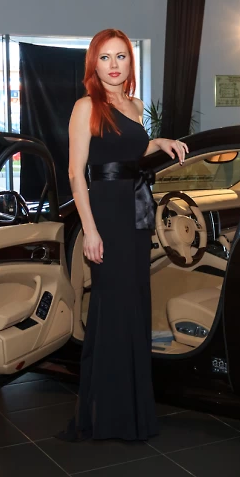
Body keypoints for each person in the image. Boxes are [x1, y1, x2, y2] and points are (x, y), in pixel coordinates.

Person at [57, 29, 188, 442]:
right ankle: (104, 414)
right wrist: (90, 230)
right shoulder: (86, 106)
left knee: (134, 306)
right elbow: (76, 173)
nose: (114, 65)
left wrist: (158, 142)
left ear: (131, 62)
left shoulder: (134, 105)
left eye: (121, 57)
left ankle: (131, 410)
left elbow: (131, 151)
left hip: (136, 213)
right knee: (111, 308)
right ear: (93, 64)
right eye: (105, 58)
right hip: (106, 216)